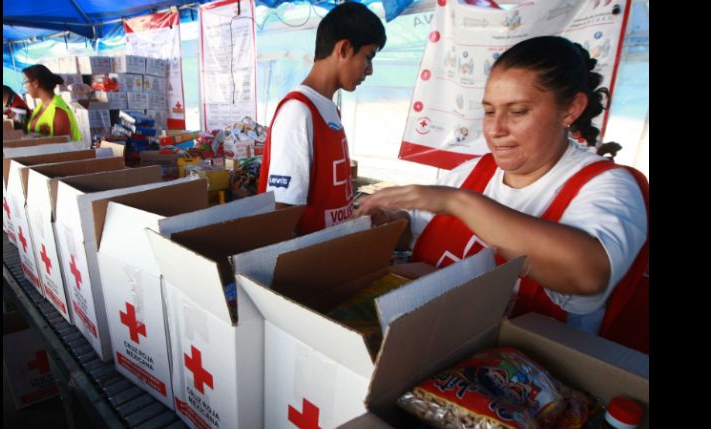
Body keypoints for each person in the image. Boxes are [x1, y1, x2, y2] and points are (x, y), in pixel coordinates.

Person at [355, 36, 648, 352]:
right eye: (489, 111)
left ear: (571, 110)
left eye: (518, 111)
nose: (495, 129)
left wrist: (458, 202)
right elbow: (413, 228)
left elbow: (587, 274)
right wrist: (386, 220)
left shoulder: (610, 187)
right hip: (424, 350)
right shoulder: (473, 171)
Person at [257, 1, 386, 234]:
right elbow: (281, 210)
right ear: (344, 49)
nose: (370, 70)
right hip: (309, 263)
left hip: (331, 254)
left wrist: (354, 213)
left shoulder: (328, 110)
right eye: (368, 56)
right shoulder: (299, 111)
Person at [22, 64, 81, 140]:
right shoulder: (41, 106)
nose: (25, 86)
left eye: (25, 82)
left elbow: (63, 147)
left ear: (35, 83)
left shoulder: (58, 111)